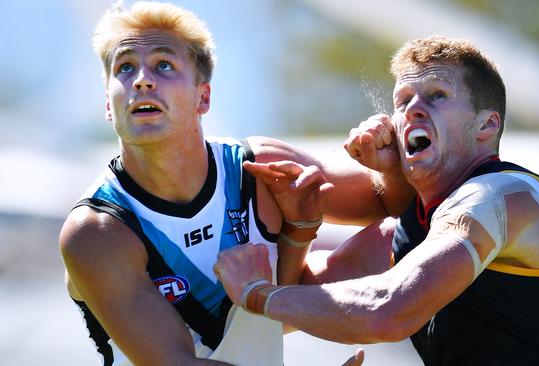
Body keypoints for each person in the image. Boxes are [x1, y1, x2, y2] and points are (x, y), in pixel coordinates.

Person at [214, 36, 539, 365]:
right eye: (402, 100)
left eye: (436, 95)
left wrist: (257, 293)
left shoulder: (505, 197)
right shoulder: (406, 232)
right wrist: (300, 229)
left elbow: (389, 310)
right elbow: (297, 306)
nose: (412, 110)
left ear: (487, 124)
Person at [58, 2, 411, 365]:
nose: (142, 80)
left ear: (203, 97)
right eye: (125, 67)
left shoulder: (258, 167)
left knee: (405, 234)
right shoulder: (98, 230)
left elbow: (394, 205)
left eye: (163, 65)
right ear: (107, 103)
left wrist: (388, 170)